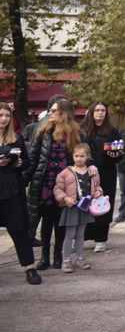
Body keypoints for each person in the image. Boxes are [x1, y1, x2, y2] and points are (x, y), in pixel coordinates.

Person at [27, 98, 80, 271]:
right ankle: (44, 257)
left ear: (63, 113)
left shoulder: (75, 132)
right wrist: (25, 178)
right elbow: (33, 157)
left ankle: (59, 256)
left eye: (54, 110)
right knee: (46, 221)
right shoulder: (42, 130)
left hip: (65, 183)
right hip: (45, 181)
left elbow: (82, 156)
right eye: (50, 110)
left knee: (61, 221)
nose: (50, 113)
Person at [0, 102, 42, 284]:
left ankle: (29, 268)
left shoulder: (16, 138)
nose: (3, 119)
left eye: (7, 116)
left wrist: (17, 164)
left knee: (19, 230)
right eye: (1, 115)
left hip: (13, 190)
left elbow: (26, 162)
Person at [54, 143, 102, 273]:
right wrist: (65, 198)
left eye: (82, 156)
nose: (79, 158)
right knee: (69, 235)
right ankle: (66, 261)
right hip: (71, 208)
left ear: (87, 157)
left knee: (81, 235)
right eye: (76, 156)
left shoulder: (92, 172)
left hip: (85, 207)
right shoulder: (65, 173)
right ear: (72, 156)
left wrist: (98, 192)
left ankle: (80, 258)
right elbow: (57, 189)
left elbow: (97, 187)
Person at [81, 101, 122, 253]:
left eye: (103, 110)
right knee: (85, 205)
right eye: (97, 110)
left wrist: (113, 154)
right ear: (91, 112)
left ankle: (101, 239)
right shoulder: (83, 130)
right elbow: (78, 150)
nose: (100, 113)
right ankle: (83, 237)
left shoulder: (112, 131)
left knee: (103, 205)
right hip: (86, 173)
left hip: (107, 173)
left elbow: (120, 151)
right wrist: (88, 163)